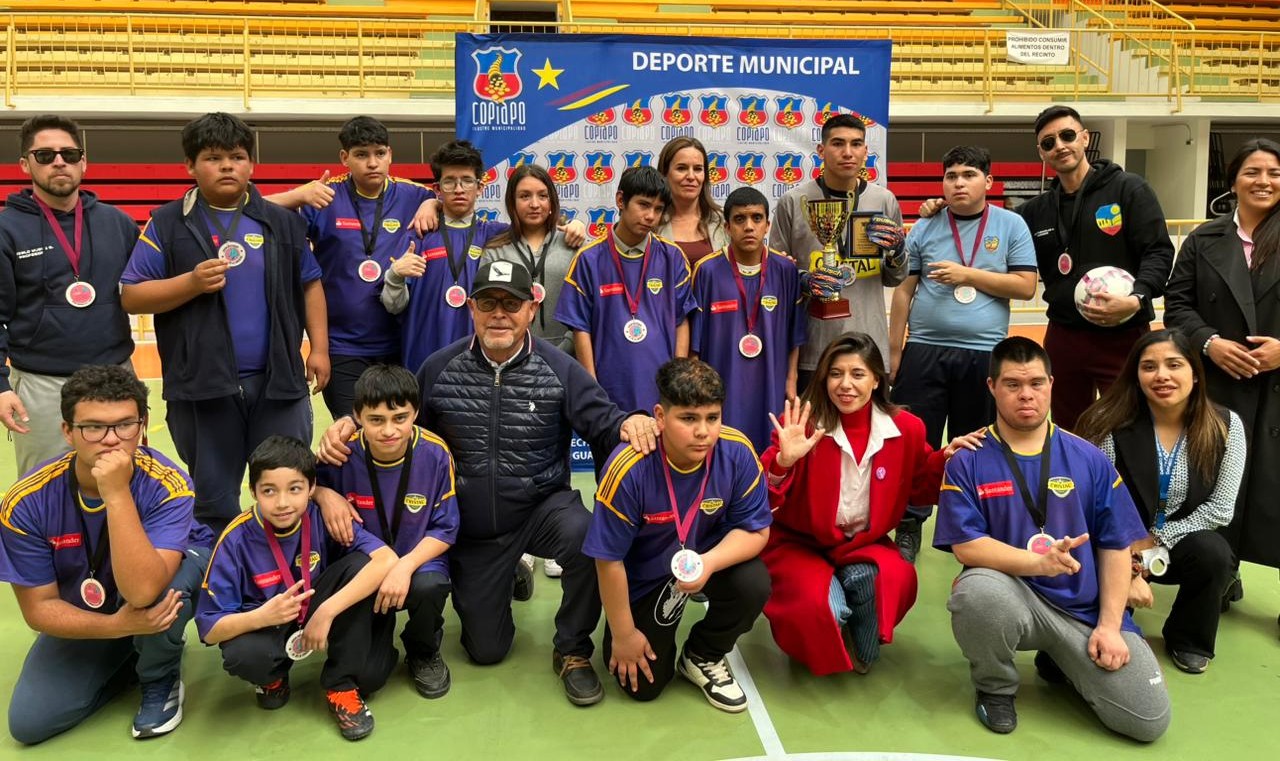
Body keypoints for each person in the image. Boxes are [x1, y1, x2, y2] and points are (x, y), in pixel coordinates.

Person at [318, 260, 660, 707]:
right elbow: (396, 415)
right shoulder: (440, 367)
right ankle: (509, 570)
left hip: (541, 508)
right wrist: (348, 425)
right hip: (473, 526)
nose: (499, 314)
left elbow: (605, 421)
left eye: (511, 304)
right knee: (486, 651)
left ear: (531, 310)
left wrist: (633, 421)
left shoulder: (559, 367)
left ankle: (572, 650)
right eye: (488, 303)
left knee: (585, 538)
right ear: (471, 309)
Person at [934, 336, 1170, 740]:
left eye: (1036, 383)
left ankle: (1062, 660)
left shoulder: (1088, 457)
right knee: (976, 593)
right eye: (1012, 384)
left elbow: (1115, 544)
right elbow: (966, 545)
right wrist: (1037, 564)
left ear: (1051, 384)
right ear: (992, 387)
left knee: (1148, 720)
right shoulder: (968, 459)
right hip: (1015, 598)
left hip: (1084, 611)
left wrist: (1110, 626)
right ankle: (995, 687)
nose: (1026, 394)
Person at [119, 112, 329, 535]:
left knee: (285, 489)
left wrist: (320, 349)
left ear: (251, 163)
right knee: (213, 502)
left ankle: (286, 570)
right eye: (213, 158)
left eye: (237, 157)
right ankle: (221, 572)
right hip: (202, 386)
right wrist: (191, 283)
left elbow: (311, 285)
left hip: (278, 383)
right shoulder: (167, 223)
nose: (227, 166)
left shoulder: (284, 223)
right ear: (190, 166)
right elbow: (132, 295)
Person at [922, 106, 1173, 430]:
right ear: (1041, 152)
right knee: (1067, 428)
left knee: (1132, 424)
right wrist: (944, 206)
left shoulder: (1129, 189)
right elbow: (988, 225)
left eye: (1067, 136)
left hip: (1123, 331)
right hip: (1064, 334)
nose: (1060, 146)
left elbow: (1158, 252)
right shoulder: (1034, 212)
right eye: (1049, 142)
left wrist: (1137, 298)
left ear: (1085, 138)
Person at [0, 365, 213, 743]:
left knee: (164, 592)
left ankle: (159, 675)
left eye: (125, 425)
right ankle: (128, 655)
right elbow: (39, 609)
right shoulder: (26, 502)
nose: (112, 440)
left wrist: (115, 493)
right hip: (96, 607)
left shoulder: (169, 484)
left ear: (142, 426)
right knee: (30, 723)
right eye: (93, 427)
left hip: (159, 581)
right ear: (67, 431)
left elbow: (144, 590)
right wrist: (118, 626)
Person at [759, 332, 981, 676]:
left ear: (877, 379)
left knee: (895, 578)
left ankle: (856, 625)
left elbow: (920, 488)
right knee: (818, 610)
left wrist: (945, 459)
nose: (845, 385)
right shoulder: (802, 426)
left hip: (864, 544)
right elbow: (762, 498)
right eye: (835, 374)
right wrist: (783, 463)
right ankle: (835, 618)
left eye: (858, 374)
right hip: (798, 545)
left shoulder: (906, 428)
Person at [585, 358, 771, 711]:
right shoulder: (629, 468)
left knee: (753, 583)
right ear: (660, 416)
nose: (703, 432)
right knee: (644, 688)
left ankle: (702, 654)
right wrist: (624, 634)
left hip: (706, 557)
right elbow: (608, 560)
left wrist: (709, 562)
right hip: (645, 577)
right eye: (688, 418)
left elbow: (756, 530)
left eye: (712, 417)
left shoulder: (737, 451)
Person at [887, 146, 1037, 563]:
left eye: (968, 175)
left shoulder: (1011, 224)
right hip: (924, 350)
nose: (958, 183)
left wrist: (967, 275)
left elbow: (1026, 286)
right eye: (951, 175)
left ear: (988, 181)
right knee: (916, 442)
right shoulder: (926, 225)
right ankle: (909, 524)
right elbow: (903, 292)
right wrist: (895, 351)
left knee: (978, 445)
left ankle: (973, 527)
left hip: (983, 353)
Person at [196, 436, 397, 742]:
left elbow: (386, 559)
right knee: (243, 654)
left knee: (360, 568)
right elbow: (209, 629)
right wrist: (262, 617)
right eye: (269, 491)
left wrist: (326, 612)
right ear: (252, 491)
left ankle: (340, 684)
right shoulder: (235, 539)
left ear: (311, 488)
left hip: (315, 608)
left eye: (294, 489)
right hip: (268, 622)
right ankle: (273, 679)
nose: (282, 503)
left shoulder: (323, 516)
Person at [1075, 329, 1243, 674]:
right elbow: (1095, 505)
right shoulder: (1108, 424)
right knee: (1089, 649)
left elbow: (1221, 509)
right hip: (1117, 545)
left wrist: (1157, 543)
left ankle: (1188, 639)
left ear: (1195, 374)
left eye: (1174, 365)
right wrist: (1130, 563)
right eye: (1149, 366)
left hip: (1178, 543)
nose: (1161, 375)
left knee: (1213, 552)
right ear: (1136, 376)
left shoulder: (1226, 425)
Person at [1164, 137, 1280, 609]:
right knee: (1216, 483)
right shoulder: (1204, 239)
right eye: (1252, 172)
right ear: (1233, 182)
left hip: (1276, 386)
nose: (1263, 181)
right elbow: (1177, 305)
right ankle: (1222, 573)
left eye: (1274, 173)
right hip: (1220, 384)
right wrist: (1209, 343)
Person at [0, 114, 141, 475]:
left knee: (122, 481)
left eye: (70, 153)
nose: (59, 161)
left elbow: (147, 289)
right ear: (25, 164)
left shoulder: (119, 223)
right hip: (42, 384)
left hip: (116, 378)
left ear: (84, 161)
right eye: (45, 155)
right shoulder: (6, 229)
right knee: (43, 487)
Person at [315, 364, 458, 698]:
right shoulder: (340, 452)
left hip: (417, 560)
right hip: (364, 569)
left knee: (430, 585)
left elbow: (446, 528)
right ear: (357, 416)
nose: (389, 430)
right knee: (367, 679)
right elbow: (298, 488)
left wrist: (404, 566)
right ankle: (368, 637)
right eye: (376, 420)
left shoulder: (435, 453)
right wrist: (322, 494)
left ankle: (423, 649)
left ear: (416, 413)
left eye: (400, 418)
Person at [302, 116, 439, 419]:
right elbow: (265, 215)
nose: (372, 163)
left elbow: (456, 206)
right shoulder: (324, 197)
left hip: (401, 344)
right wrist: (318, 349)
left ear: (390, 154)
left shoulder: (416, 196)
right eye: (361, 154)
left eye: (380, 153)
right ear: (345, 158)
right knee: (354, 430)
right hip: (342, 347)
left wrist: (433, 204)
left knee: (395, 432)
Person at [770, 113, 908, 391]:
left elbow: (895, 277)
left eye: (856, 144)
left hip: (870, 348)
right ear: (821, 150)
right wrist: (805, 281)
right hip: (813, 349)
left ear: (866, 151)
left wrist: (896, 251)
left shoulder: (884, 200)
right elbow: (774, 277)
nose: (848, 152)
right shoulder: (793, 202)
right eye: (838, 143)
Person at [556, 165, 698, 412]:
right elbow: (581, 328)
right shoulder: (589, 259)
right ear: (621, 200)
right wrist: (592, 387)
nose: (650, 216)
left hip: (662, 392)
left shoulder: (673, 257)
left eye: (658, 209)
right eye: (644, 205)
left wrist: (677, 378)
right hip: (608, 392)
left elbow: (681, 320)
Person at [689, 186, 806, 455]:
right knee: (724, 452)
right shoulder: (706, 270)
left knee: (769, 451)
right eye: (740, 219)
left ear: (768, 225)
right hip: (722, 384)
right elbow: (695, 344)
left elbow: (795, 334)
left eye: (756, 218)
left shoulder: (786, 270)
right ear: (727, 227)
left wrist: (791, 379)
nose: (749, 226)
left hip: (771, 383)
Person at [381, 139, 507, 373]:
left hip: (479, 366)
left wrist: (574, 226)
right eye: (449, 181)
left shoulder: (495, 235)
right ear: (437, 189)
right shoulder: (418, 235)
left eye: (467, 181)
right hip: (422, 362)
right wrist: (395, 276)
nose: (459, 189)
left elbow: (539, 231)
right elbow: (393, 306)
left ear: (480, 187)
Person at [480, 163, 578, 355]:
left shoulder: (573, 246)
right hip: (511, 355)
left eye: (542, 196)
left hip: (568, 357)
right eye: (525, 196)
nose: (534, 204)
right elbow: (488, 308)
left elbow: (586, 307)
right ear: (512, 203)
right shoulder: (495, 251)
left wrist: (563, 350)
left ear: (552, 201)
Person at [654, 137, 728, 265]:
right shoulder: (651, 222)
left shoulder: (723, 221)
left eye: (698, 169)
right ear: (665, 174)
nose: (691, 176)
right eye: (681, 168)